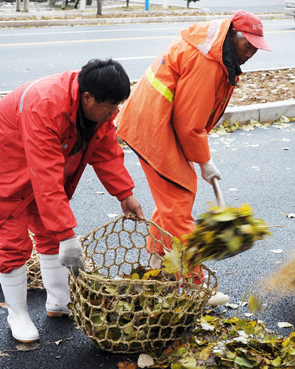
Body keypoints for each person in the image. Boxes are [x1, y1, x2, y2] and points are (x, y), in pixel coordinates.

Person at [0, 59, 145, 343]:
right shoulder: (46, 105)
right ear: (87, 97)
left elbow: (106, 150)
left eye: (117, 105)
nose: (115, 112)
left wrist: (125, 194)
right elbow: (47, 178)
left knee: (49, 230)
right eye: (111, 106)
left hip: (33, 162)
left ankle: (59, 301)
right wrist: (67, 235)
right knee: (14, 241)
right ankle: (17, 314)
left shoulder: (97, 109)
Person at [115, 11, 272, 305]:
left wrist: (202, 161)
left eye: (255, 48)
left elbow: (188, 119)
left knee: (175, 199)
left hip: (160, 122)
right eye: (247, 45)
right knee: (178, 202)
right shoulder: (207, 62)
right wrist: (204, 161)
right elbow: (189, 124)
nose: (251, 53)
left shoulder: (216, 50)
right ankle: (193, 286)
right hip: (154, 127)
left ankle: (157, 262)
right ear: (233, 36)